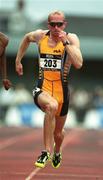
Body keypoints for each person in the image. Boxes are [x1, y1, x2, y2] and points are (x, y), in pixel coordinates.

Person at [15, 10, 83, 169]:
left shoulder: (71, 38)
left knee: (58, 134)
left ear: (64, 24)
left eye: (59, 24)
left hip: (62, 93)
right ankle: (46, 151)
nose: (56, 27)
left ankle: (57, 151)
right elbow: (26, 38)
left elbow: (78, 63)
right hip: (42, 88)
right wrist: (18, 60)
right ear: (48, 25)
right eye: (53, 24)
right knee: (50, 106)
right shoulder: (40, 36)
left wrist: (65, 43)